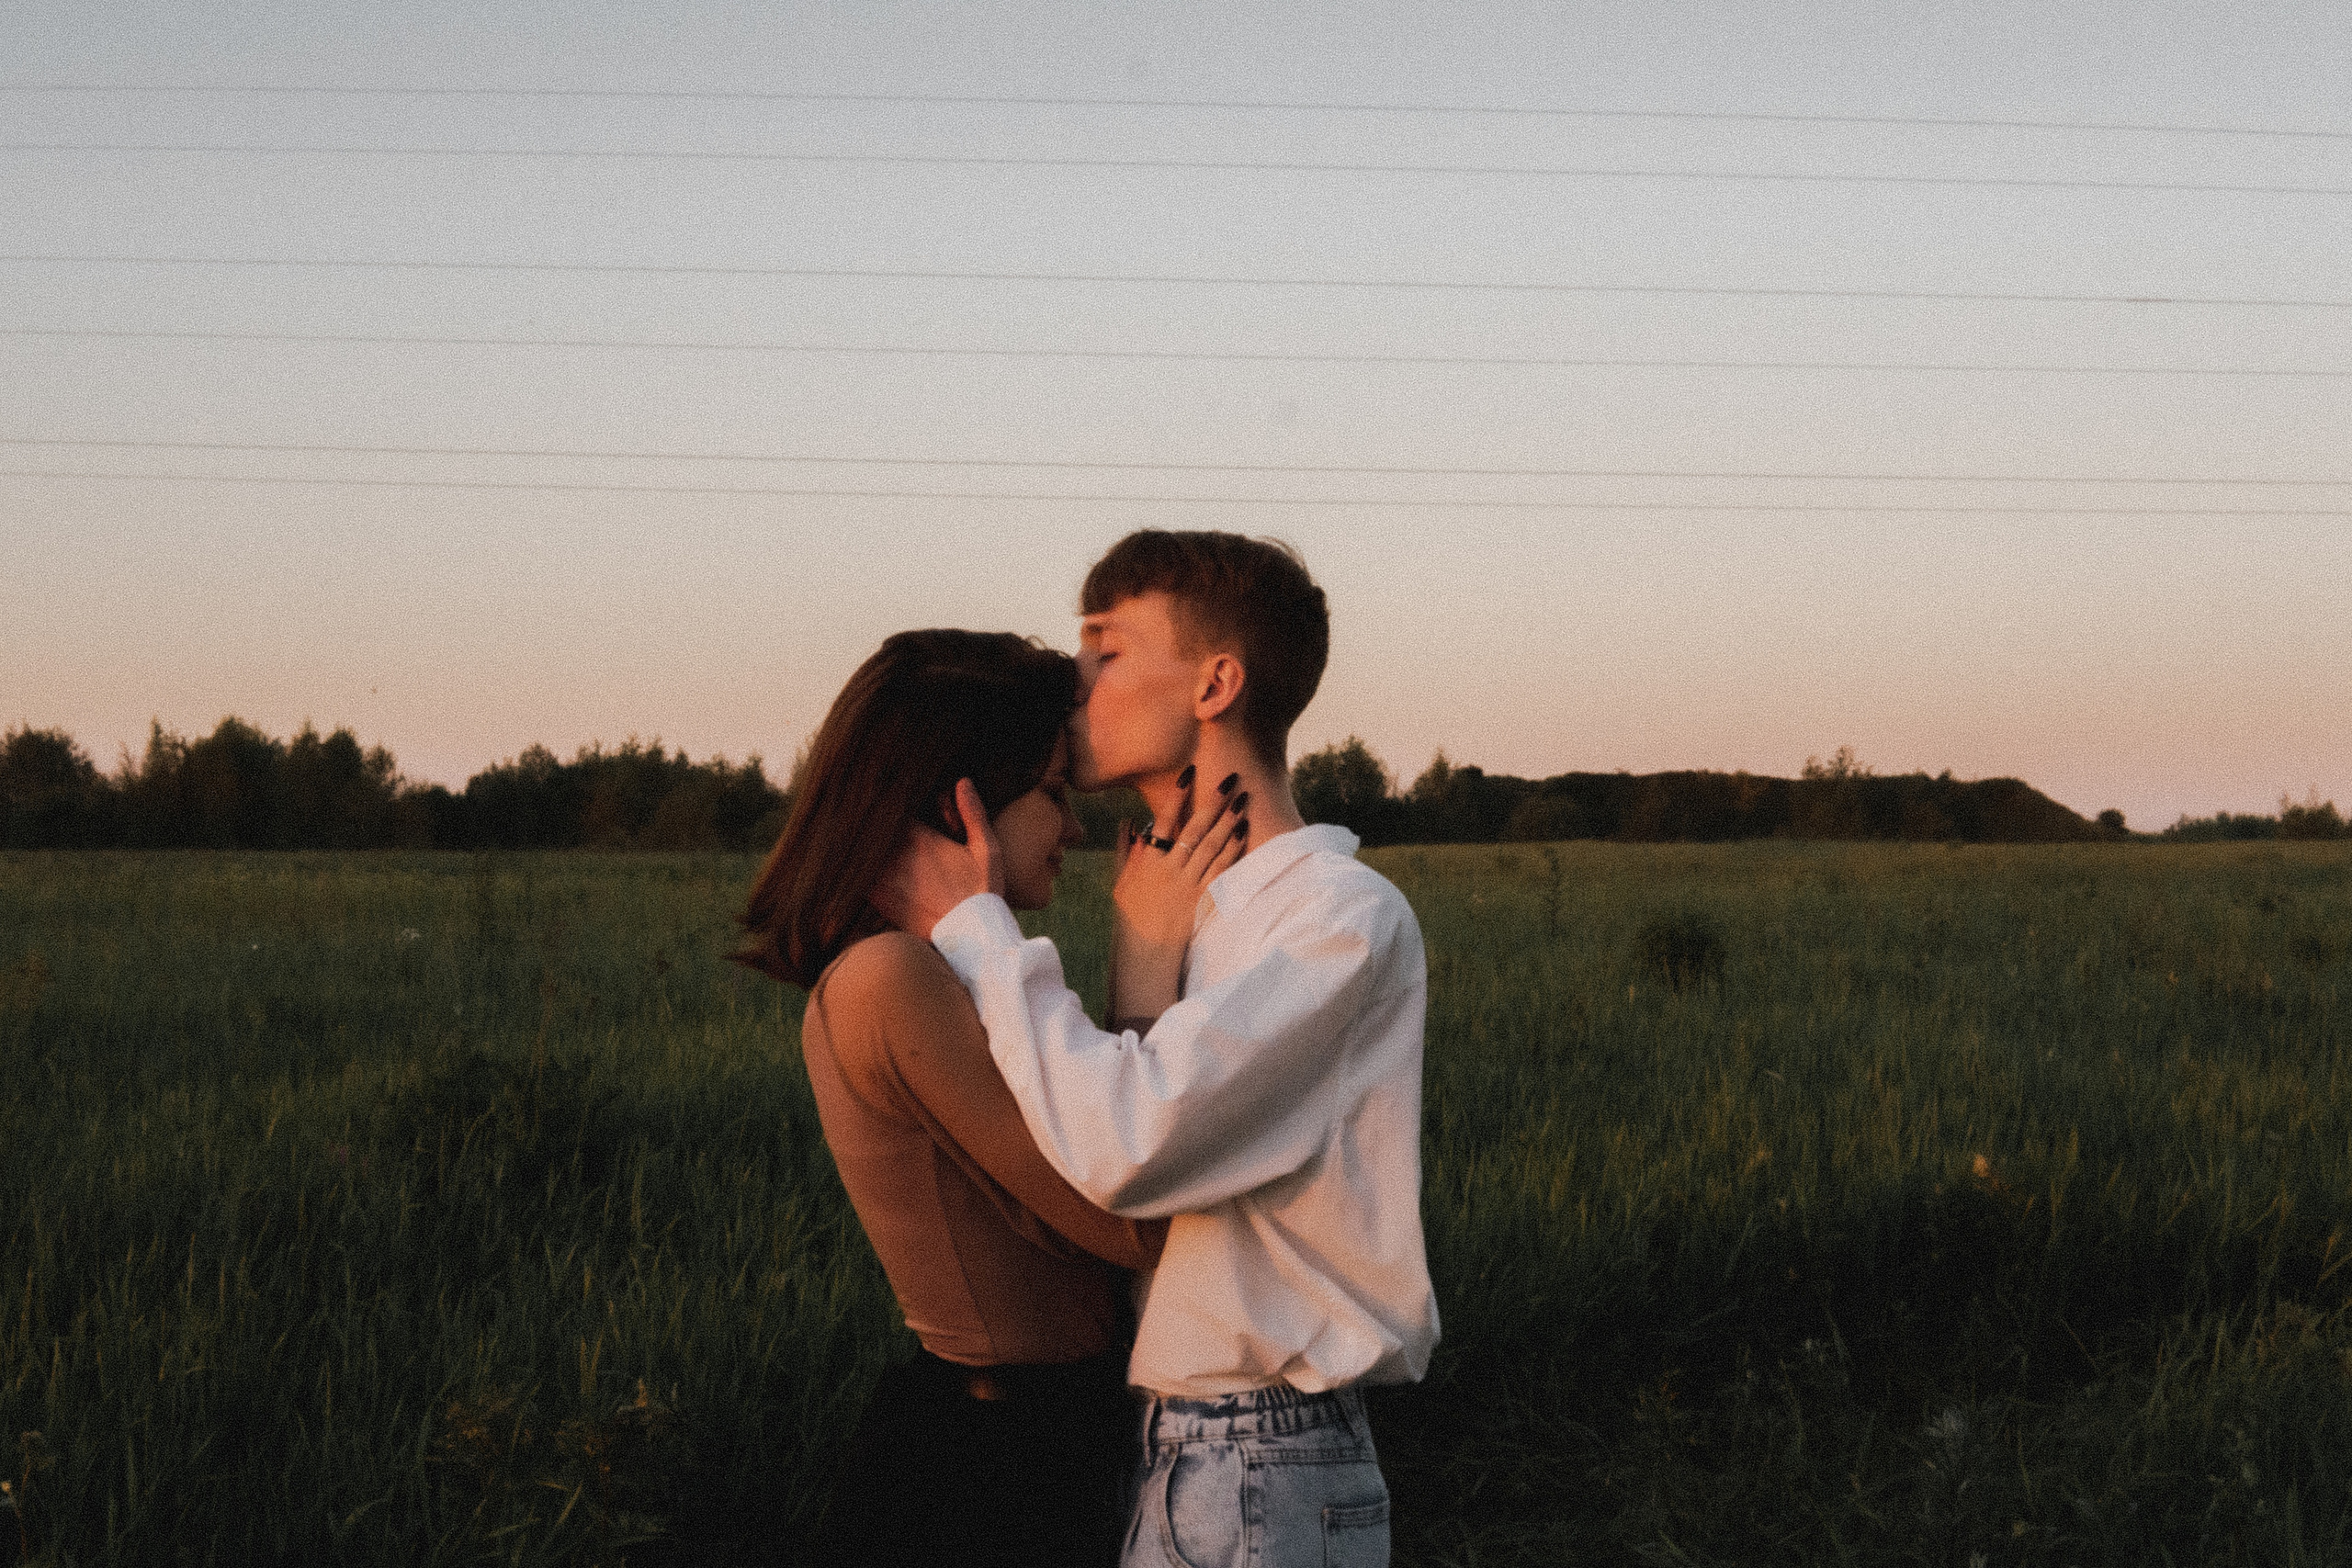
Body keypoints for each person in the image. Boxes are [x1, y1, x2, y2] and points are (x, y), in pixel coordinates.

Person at [877, 532, 1439, 1568]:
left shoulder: (1336, 919)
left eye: (1106, 650)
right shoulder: (1184, 912)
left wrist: (976, 927)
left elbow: (1130, 1143)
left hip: (1264, 1455)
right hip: (1181, 1449)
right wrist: (1141, 960)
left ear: (1216, 682)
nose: (1071, 678)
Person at [731, 628, 1238, 1567]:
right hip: (987, 1474)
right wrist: (1140, 960)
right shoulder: (890, 978)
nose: (1076, 829)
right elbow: (1131, 1216)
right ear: (958, 799)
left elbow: (1110, 1153)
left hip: (1037, 1440)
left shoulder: (939, 971)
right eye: (1050, 792)